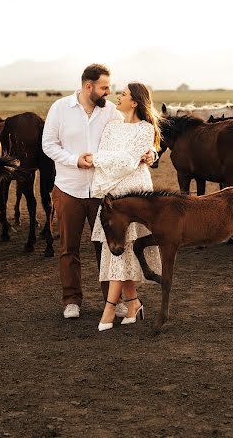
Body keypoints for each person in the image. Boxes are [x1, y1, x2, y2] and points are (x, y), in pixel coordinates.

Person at [42, 64, 155, 320]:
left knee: (107, 247)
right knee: (68, 248)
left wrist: (151, 153)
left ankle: (112, 302)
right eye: (104, 87)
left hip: (104, 192)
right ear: (88, 86)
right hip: (69, 188)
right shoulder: (60, 109)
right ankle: (72, 301)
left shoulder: (112, 113)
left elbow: (135, 136)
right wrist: (74, 160)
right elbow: (48, 144)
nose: (109, 92)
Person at [86, 82, 162, 331]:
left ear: (135, 102)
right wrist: (108, 160)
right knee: (118, 249)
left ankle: (109, 308)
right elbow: (114, 158)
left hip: (135, 194)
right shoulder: (111, 126)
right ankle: (133, 303)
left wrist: (100, 159)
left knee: (126, 247)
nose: (118, 96)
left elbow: (127, 160)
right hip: (113, 192)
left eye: (124, 94)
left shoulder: (145, 129)